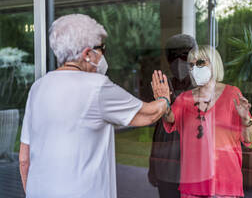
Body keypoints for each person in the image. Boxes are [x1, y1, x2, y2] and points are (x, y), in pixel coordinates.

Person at [18, 14, 170, 198]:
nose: (103, 55)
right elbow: (149, 114)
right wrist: (164, 99)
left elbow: (24, 160)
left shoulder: (38, 87)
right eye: (101, 49)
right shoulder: (96, 87)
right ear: (87, 54)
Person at [156, 45, 252, 198]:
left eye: (200, 63)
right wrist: (163, 102)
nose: (195, 68)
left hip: (226, 182)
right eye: (191, 64)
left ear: (214, 64)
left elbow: (249, 138)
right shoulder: (185, 98)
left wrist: (245, 119)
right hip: (194, 182)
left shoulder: (232, 94)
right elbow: (170, 118)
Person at [148, 34, 198, 198]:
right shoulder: (163, 84)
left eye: (183, 55)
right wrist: (153, 166)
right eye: (173, 56)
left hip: (194, 168)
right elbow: (158, 131)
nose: (178, 61)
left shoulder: (202, 86)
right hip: (166, 167)